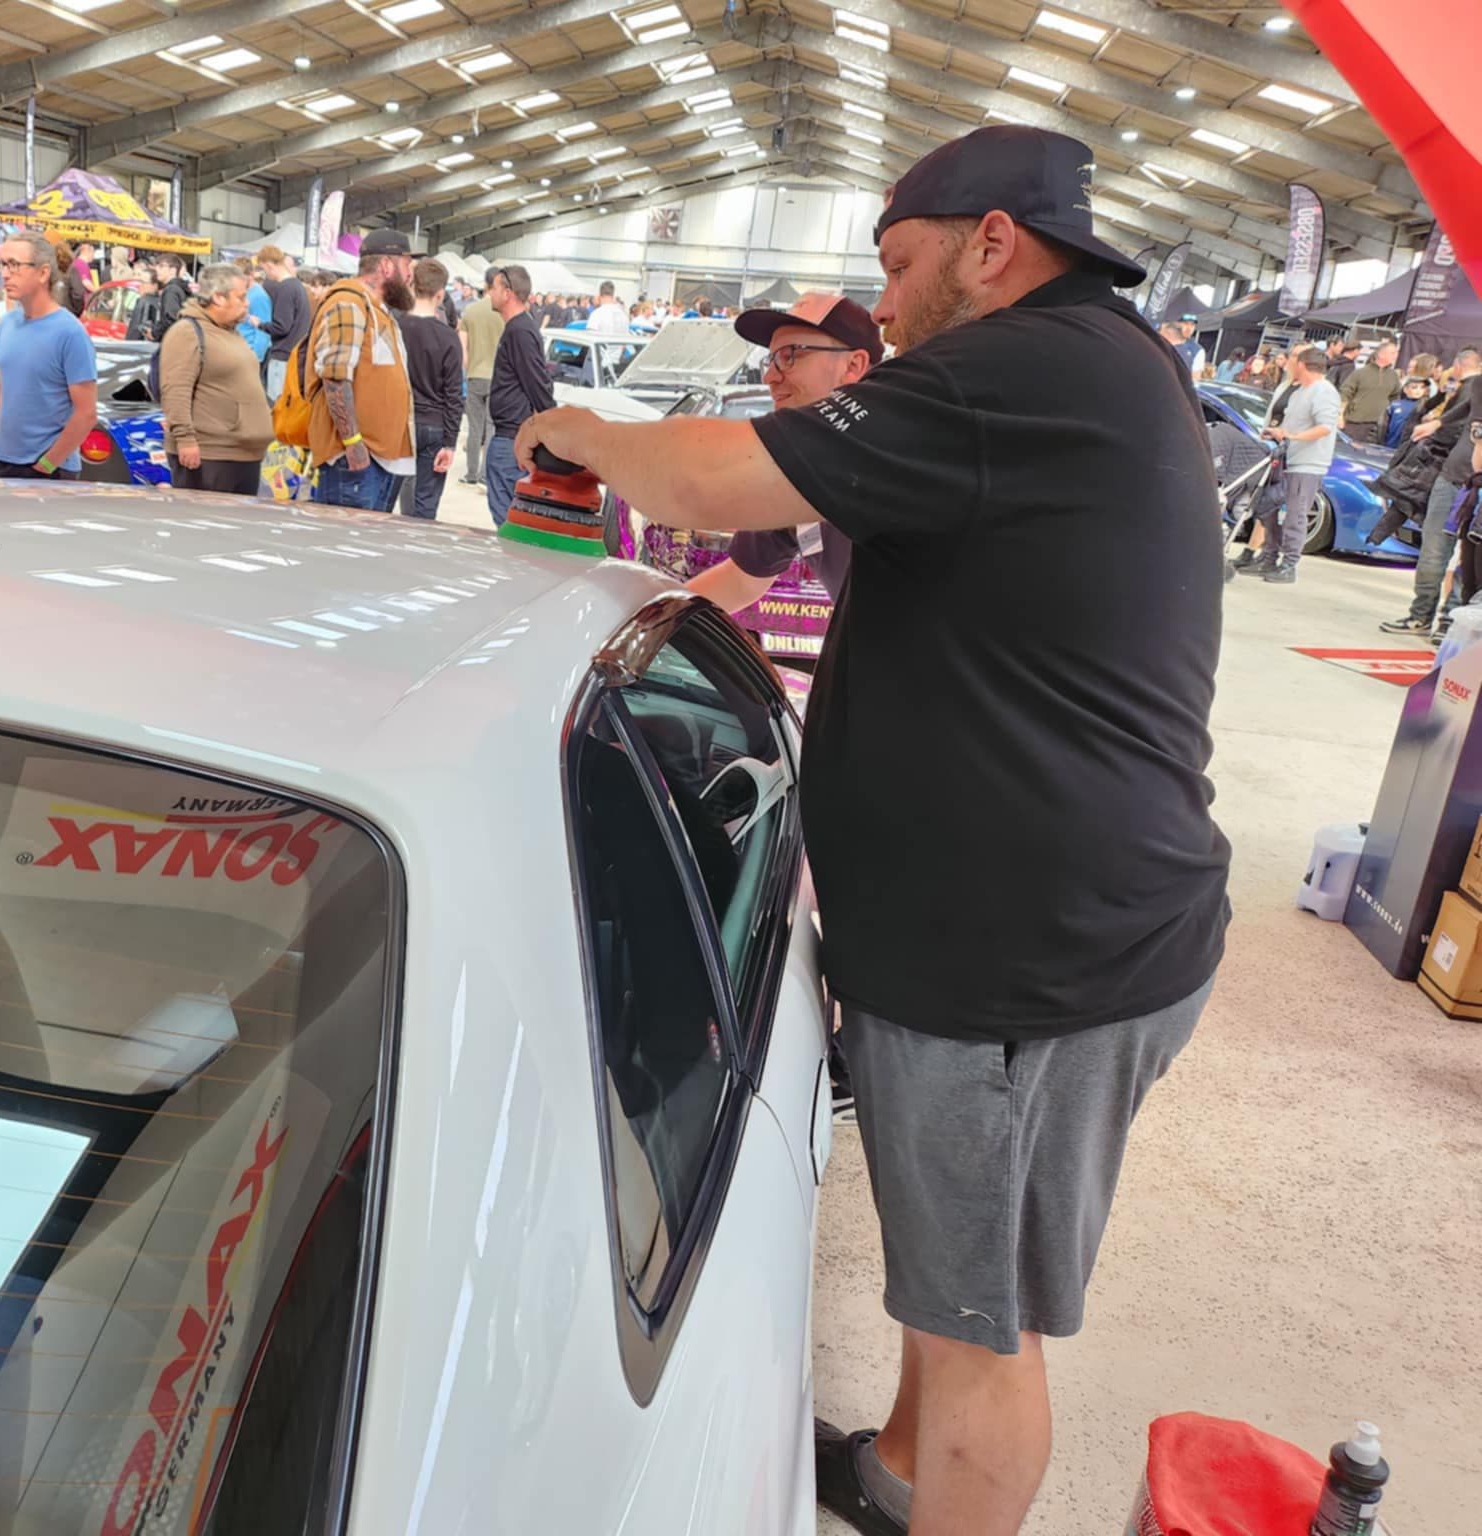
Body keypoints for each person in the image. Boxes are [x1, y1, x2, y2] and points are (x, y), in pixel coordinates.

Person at [514, 124, 1229, 1536]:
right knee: (947, 1270)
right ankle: (902, 1475)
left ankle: (944, 1488)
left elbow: (716, 483)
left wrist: (576, 427)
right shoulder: (1085, 368)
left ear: (993, 243)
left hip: (1030, 961)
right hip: (1017, 931)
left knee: (982, 1322)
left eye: (898, 267)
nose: (883, 305)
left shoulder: (1024, 367)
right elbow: (770, 544)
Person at [681, 292, 883, 616]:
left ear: (853, 365)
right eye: (771, 359)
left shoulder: (904, 460)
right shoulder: (795, 467)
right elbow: (740, 580)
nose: (770, 377)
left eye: (791, 356)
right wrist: (642, 621)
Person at [306, 230, 419, 510]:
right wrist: (353, 442)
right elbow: (334, 377)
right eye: (407, 266)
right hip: (354, 462)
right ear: (386, 266)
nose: (410, 275)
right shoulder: (348, 303)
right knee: (344, 548)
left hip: (374, 460)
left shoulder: (375, 309)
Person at [1381, 346, 1482, 638]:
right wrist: (1439, 422)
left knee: (1466, 559)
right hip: (1455, 478)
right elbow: (1467, 409)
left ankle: (1451, 622)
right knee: (1437, 552)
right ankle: (1424, 616)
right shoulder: (1475, 385)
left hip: (1470, 483)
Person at [0, 233, 98, 480]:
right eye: (3, 264)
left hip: (48, 469)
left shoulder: (70, 333)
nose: (5, 274)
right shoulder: (8, 324)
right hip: (3, 463)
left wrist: (47, 464)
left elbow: (86, 412)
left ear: (43, 273)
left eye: (14, 265)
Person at [157, 263, 273, 497]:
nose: (247, 303)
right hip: (211, 455)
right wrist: (185, 439)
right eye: (241, 297)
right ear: (218, 298)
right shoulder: (188, 332)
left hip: (241, 455)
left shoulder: (230, 333)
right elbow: (176, 390)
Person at [1239, 348, 1340, 583]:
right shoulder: (1297, 391)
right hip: (1287, 457)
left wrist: (1291, 436)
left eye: (1294, 361)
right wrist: (1278, 433)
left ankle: (1289, 564)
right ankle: (1269, 555)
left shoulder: (1323, 392)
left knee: (1296, 514)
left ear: (1302, 365)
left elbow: (1325, 427)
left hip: (1307, 462)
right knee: (1266, 504)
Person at [394, 258, 465, 519]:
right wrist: (450, 442)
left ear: (411, 285)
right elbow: (454, 394)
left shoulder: (395, 328)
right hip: (434, 426)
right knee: (426, 506)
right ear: (440, 294)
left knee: (388, 499)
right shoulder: (448, 337)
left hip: (399, 423)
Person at [484, 264, 554, 526]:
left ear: (508, 292)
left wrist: (550, 424)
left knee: (507, 518)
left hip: (512, 439)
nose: (490, 293)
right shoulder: (518, 328)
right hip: (511, 435)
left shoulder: (520, 330)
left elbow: (537, 382)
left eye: (494, 287)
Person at [458, 265, 507, 485]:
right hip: (497, 379)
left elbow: (463, 350)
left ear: (484, 285)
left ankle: (470, 474)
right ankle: (485, 475)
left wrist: (467, 373)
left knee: (474, 428)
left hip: (475, 376)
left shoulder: (471, 311)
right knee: (491, 428)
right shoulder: (504, 313)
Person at [258, 244, 310, 401]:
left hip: (282, 357)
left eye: (264, 269)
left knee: (276, 405)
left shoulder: (285, 289)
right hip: (294, 354)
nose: (265, 273)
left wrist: (259, 324)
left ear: (269, 265)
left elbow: (282, 327)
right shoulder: (297, 286)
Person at [1339, 339, 1401, 444]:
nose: (1396, 355)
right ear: (1381, 354)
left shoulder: (1393, 375)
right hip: (1356, 423)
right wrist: (1340, 417)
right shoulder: (1360, 373)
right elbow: (1345, 394)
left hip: (1380, 425)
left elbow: (1395, 398)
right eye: (1393, 353)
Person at [233, 256, 274, 362]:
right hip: (240, 349)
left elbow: (264, 330)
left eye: (241, 278)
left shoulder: (259, 296)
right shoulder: (242, 292)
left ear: (250, 275)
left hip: (252, 353)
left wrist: (256, 356)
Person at [141, 255, 190, 342]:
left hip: (172, 341)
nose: (157, 269)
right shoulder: (180, 288)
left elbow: (170, 319)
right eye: (157, 266)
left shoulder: (171, 290)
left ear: (172, 270)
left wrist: (154, 332)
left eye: (161, 266)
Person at [1384, 373, 1433, 447]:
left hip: (1408, 447)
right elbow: (1383, 426)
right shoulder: (1394, 405)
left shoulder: (1424, 406)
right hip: (1389, 444)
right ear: (1405, 389)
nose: (1418, 390)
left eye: (1422, 387)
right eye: (1414, 387)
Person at [52, 241, 90, 316]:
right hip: (68, 313)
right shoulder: (71, 269)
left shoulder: (47, 271)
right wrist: (77, 311)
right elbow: (78, 293)